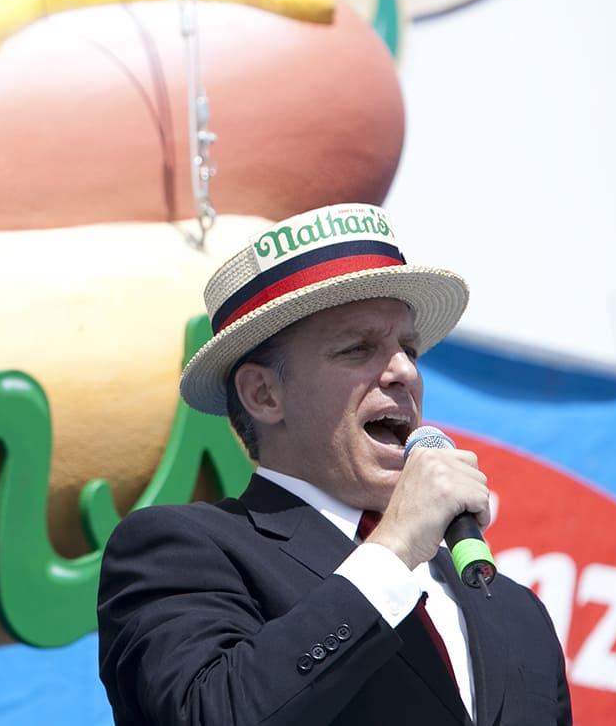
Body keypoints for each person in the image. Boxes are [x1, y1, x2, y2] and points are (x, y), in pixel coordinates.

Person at [97, 203, 571, 725]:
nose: (402, 372)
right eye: (357, 348)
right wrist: (392, 550)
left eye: (408, 349)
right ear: (263, 394)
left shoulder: (516, 613)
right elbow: (210, 714)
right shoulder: (180, 550)